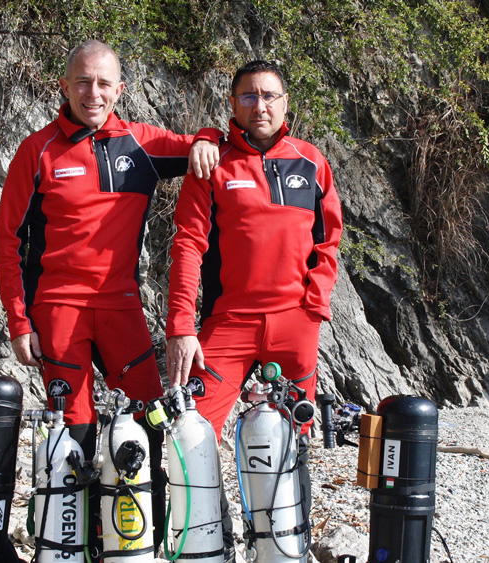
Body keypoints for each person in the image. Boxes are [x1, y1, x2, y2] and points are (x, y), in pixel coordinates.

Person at [0, 39, 221, 554]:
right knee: (72, 433)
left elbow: (204, 145)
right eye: (82, 81)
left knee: (151, 421)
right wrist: (18, 322)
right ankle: (70, 543)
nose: (92, 93)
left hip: (121, 306)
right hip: (58, 310)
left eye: (103, 84)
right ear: (64, 86)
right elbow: (8, 243)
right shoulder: (38, 150)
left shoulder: (140, 143)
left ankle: (142, 541)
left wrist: (206, 137)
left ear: (120, 89)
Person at [164, 59, 343, 555]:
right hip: (228, 324)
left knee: (290, 444)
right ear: (233, 105)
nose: (259, 105)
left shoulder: (312, 162)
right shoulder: (212, 162)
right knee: (189, 432)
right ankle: (208, 542)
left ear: (285, 103)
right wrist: (181, 324)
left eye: (269, 96)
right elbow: (187, 246)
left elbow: (327, 244)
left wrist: (314, 310)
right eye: (248, 96)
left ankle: (287, 547)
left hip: (294, 325)